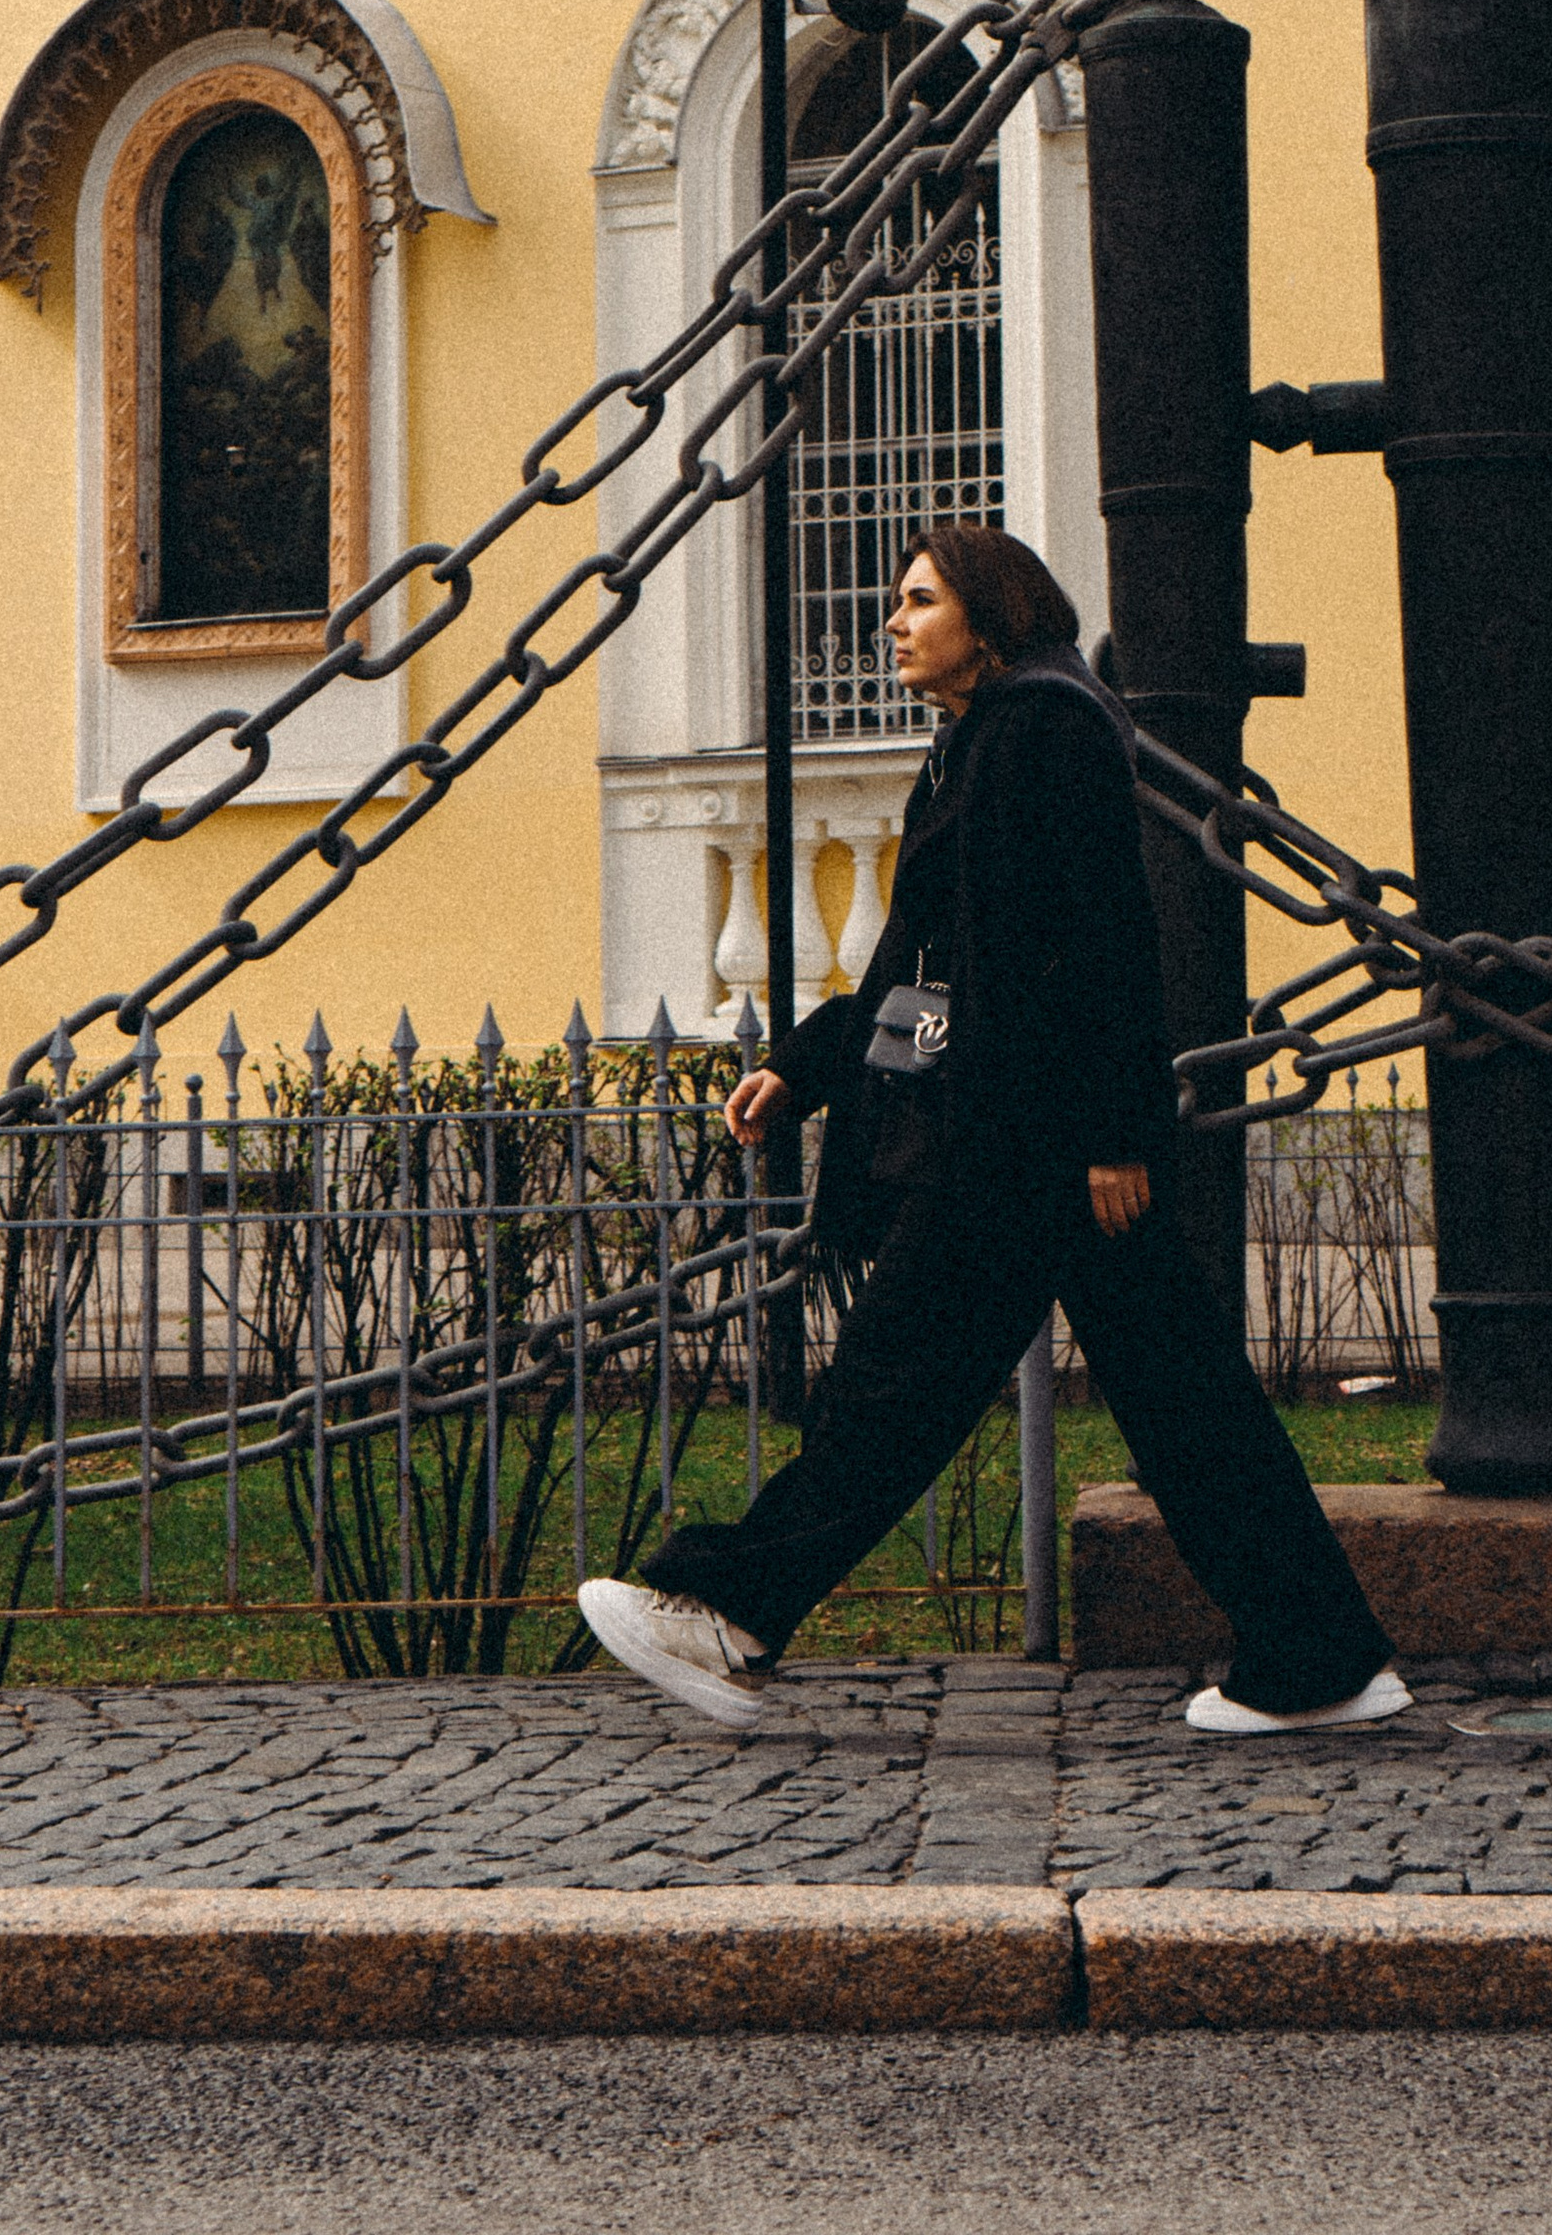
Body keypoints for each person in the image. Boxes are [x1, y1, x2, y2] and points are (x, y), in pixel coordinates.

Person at [579, 521, 1407, 1738]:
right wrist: (809, 1069)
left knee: (894, 1388)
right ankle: (1319, 1655)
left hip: (1032, 1148)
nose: (893, 622)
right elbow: (931, 980)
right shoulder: (986, 740)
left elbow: (1104, 945)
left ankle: (729, 1607)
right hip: (1023, 1135)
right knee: (1179, 1407)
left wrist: (1116, 1134)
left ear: (990, 610)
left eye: (918, 599)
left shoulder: (1042, 728)